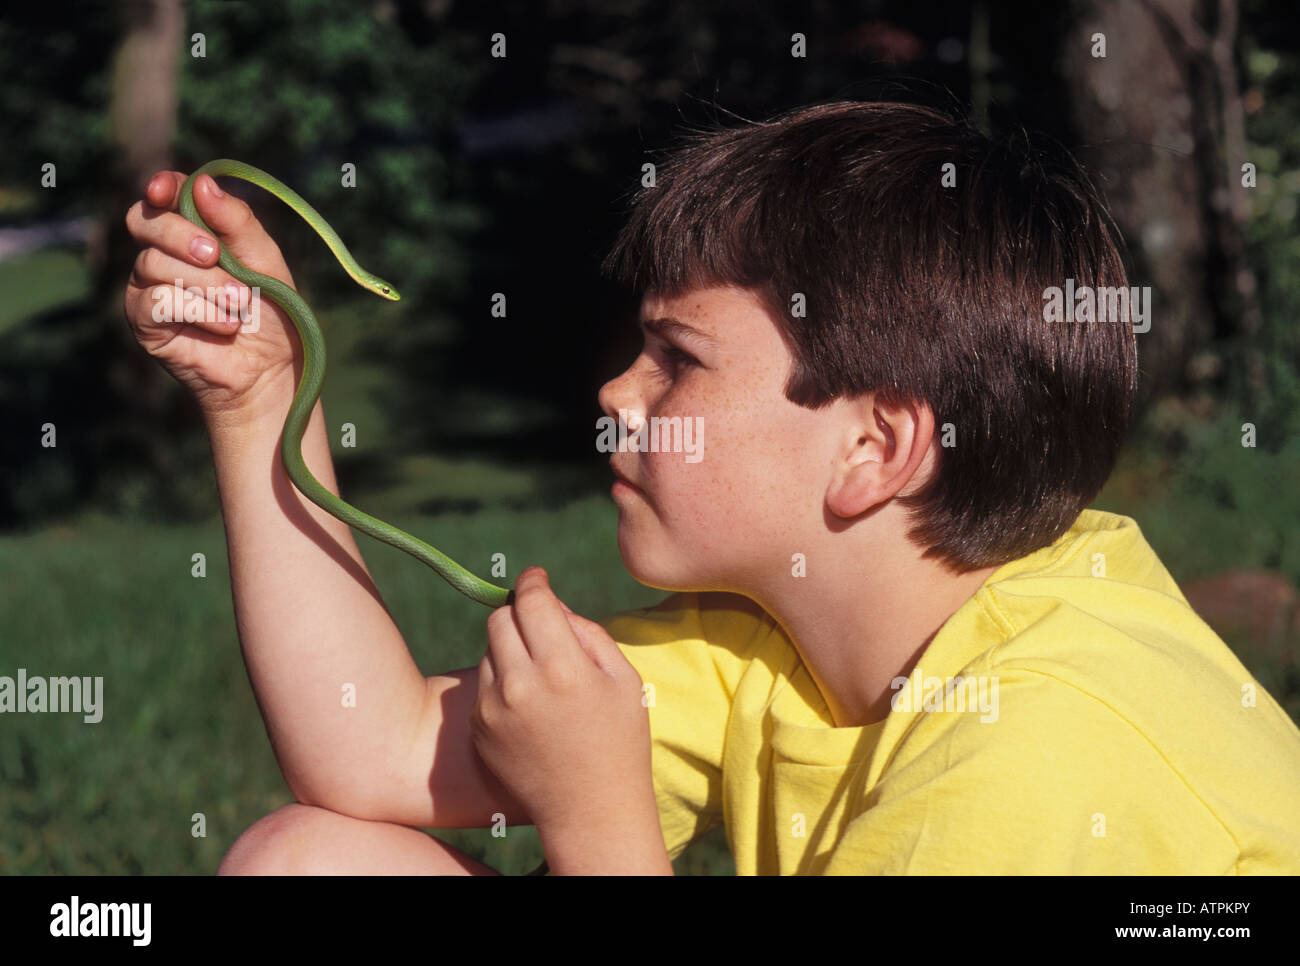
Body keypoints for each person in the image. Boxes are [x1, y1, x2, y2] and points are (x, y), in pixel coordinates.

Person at [123, 100, 1300, 874]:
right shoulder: (771, 636)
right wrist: (263, 402)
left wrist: (595, 818)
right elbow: (367, 751)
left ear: (874, 450)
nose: (614, 395)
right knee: (315, 862)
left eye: (676, 359)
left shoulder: (1044, 756)